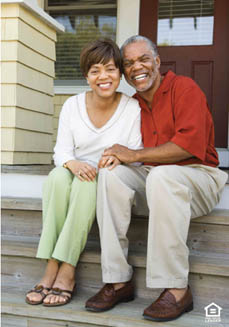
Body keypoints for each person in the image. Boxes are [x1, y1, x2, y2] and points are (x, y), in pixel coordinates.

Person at [85, 35, 228, 321]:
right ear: (125, 72)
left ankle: (177, 288)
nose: (137, 67)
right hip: (155, 181)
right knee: (111, 176)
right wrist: (113, 157)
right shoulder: (132, 104)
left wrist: (134, 154)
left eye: (143, 59)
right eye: (128, 63)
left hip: (200, 177)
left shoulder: (184, 89)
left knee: (161, 176)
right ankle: (117, 280)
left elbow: (188, 147)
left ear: (157, 62)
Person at [25, 38, 142, 307]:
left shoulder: (131, 108)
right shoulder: (72, 105)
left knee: (86, 183)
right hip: (75, 171)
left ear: (120, 74)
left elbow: (134, 151)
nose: (104, 77)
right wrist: (73, 164)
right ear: (86, 76)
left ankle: (65, 270)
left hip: (107, 177)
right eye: (95, 71)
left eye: (111, 69)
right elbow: (62, 151)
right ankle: (51, 264)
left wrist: (116, 159)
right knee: (56, 176)